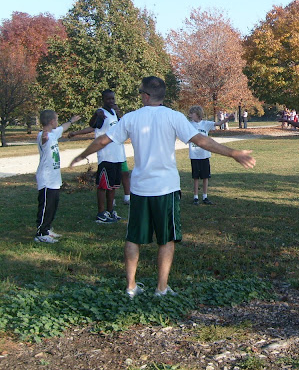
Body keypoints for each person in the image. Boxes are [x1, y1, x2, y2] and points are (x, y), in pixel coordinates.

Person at [70, 76, 255, 298]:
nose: (140, 96)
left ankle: (131, 287)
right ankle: (161, 288)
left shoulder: (131, 118)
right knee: (166, 239)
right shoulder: (173, 116)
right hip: (166, 189)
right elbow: (201, 140)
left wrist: (82, 155)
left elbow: (102, 140)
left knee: (134, 238)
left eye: (141, 92)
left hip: (140, 189)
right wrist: (233, 153)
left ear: (146, 96)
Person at [69, 89, 130, 223]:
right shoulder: (101, 113)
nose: (111, 101)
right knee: (103, 186)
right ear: (103, 99)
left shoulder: (114, 112)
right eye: (108, 99)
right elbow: (93, 125)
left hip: (118, 155)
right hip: (106, 155)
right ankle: (101, 213)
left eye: (113, 98)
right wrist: (96, 114)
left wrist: (119, 114)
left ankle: (110, 211)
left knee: (113, 186)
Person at [35, 110, 81, 243]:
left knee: (52, 206)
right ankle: (41, 233)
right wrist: (44, 135)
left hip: (54, 179)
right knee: (45, 206)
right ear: (51, 121)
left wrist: (71, 121)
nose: (57, 122)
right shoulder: (42, 135)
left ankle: (47, 229)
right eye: (56, 120)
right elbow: (44, 139)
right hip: (46, 178)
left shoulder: (54, 133)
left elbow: (63, 127)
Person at [187, 105, 229, 205]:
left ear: (197, 114)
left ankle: (205, 196)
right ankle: (195, 197)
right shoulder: (188, 125)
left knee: (205, 177)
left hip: (204, 155)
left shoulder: (205, 124)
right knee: (196, 177)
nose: (190, 115)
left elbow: (218, 123)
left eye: (192, 113)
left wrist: (227, 118)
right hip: (194, 155)